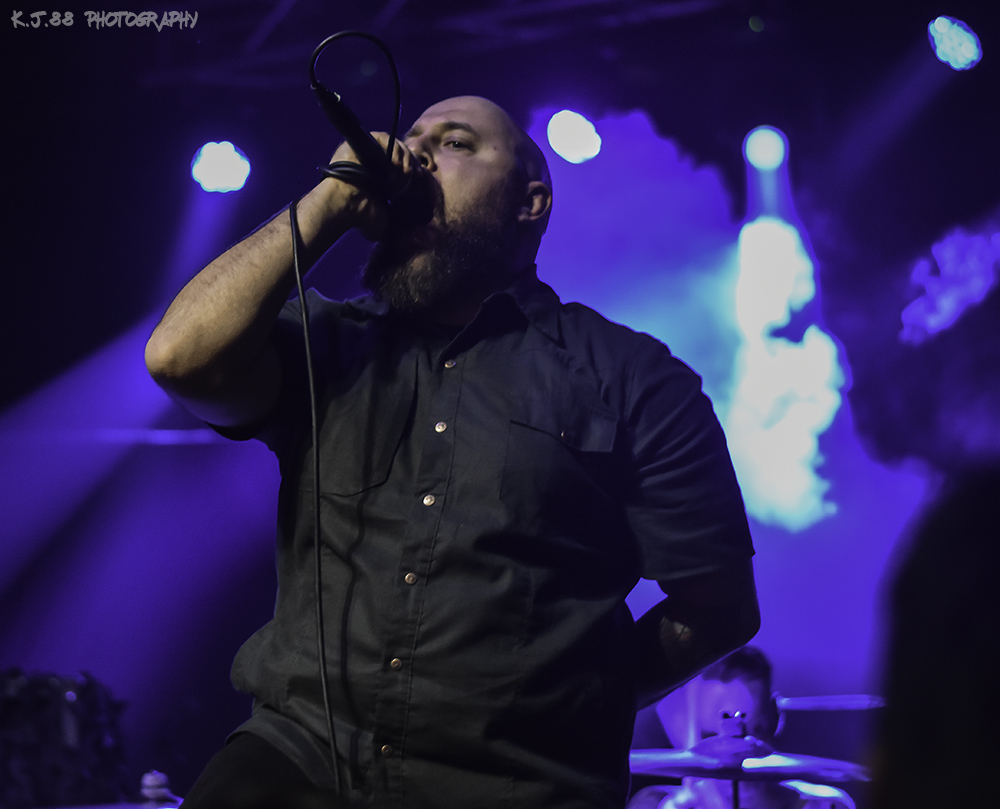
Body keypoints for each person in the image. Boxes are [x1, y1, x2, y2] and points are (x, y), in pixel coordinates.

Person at [145, 95, 760, 809]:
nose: (416, 157)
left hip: (519, 784)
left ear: (531, 202)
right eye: (412, 139)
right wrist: (331, 199)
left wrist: (573, 702)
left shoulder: (633, 379)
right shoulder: (330, 341)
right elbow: (178, 358)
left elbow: (719, 608)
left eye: (456, 143)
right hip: (300, 760)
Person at [630, 647, 854, 809]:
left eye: (753, 732)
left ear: (776, 718)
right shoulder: (660, 806)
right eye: (712, 738)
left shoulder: (826, 805)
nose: (732, 753)